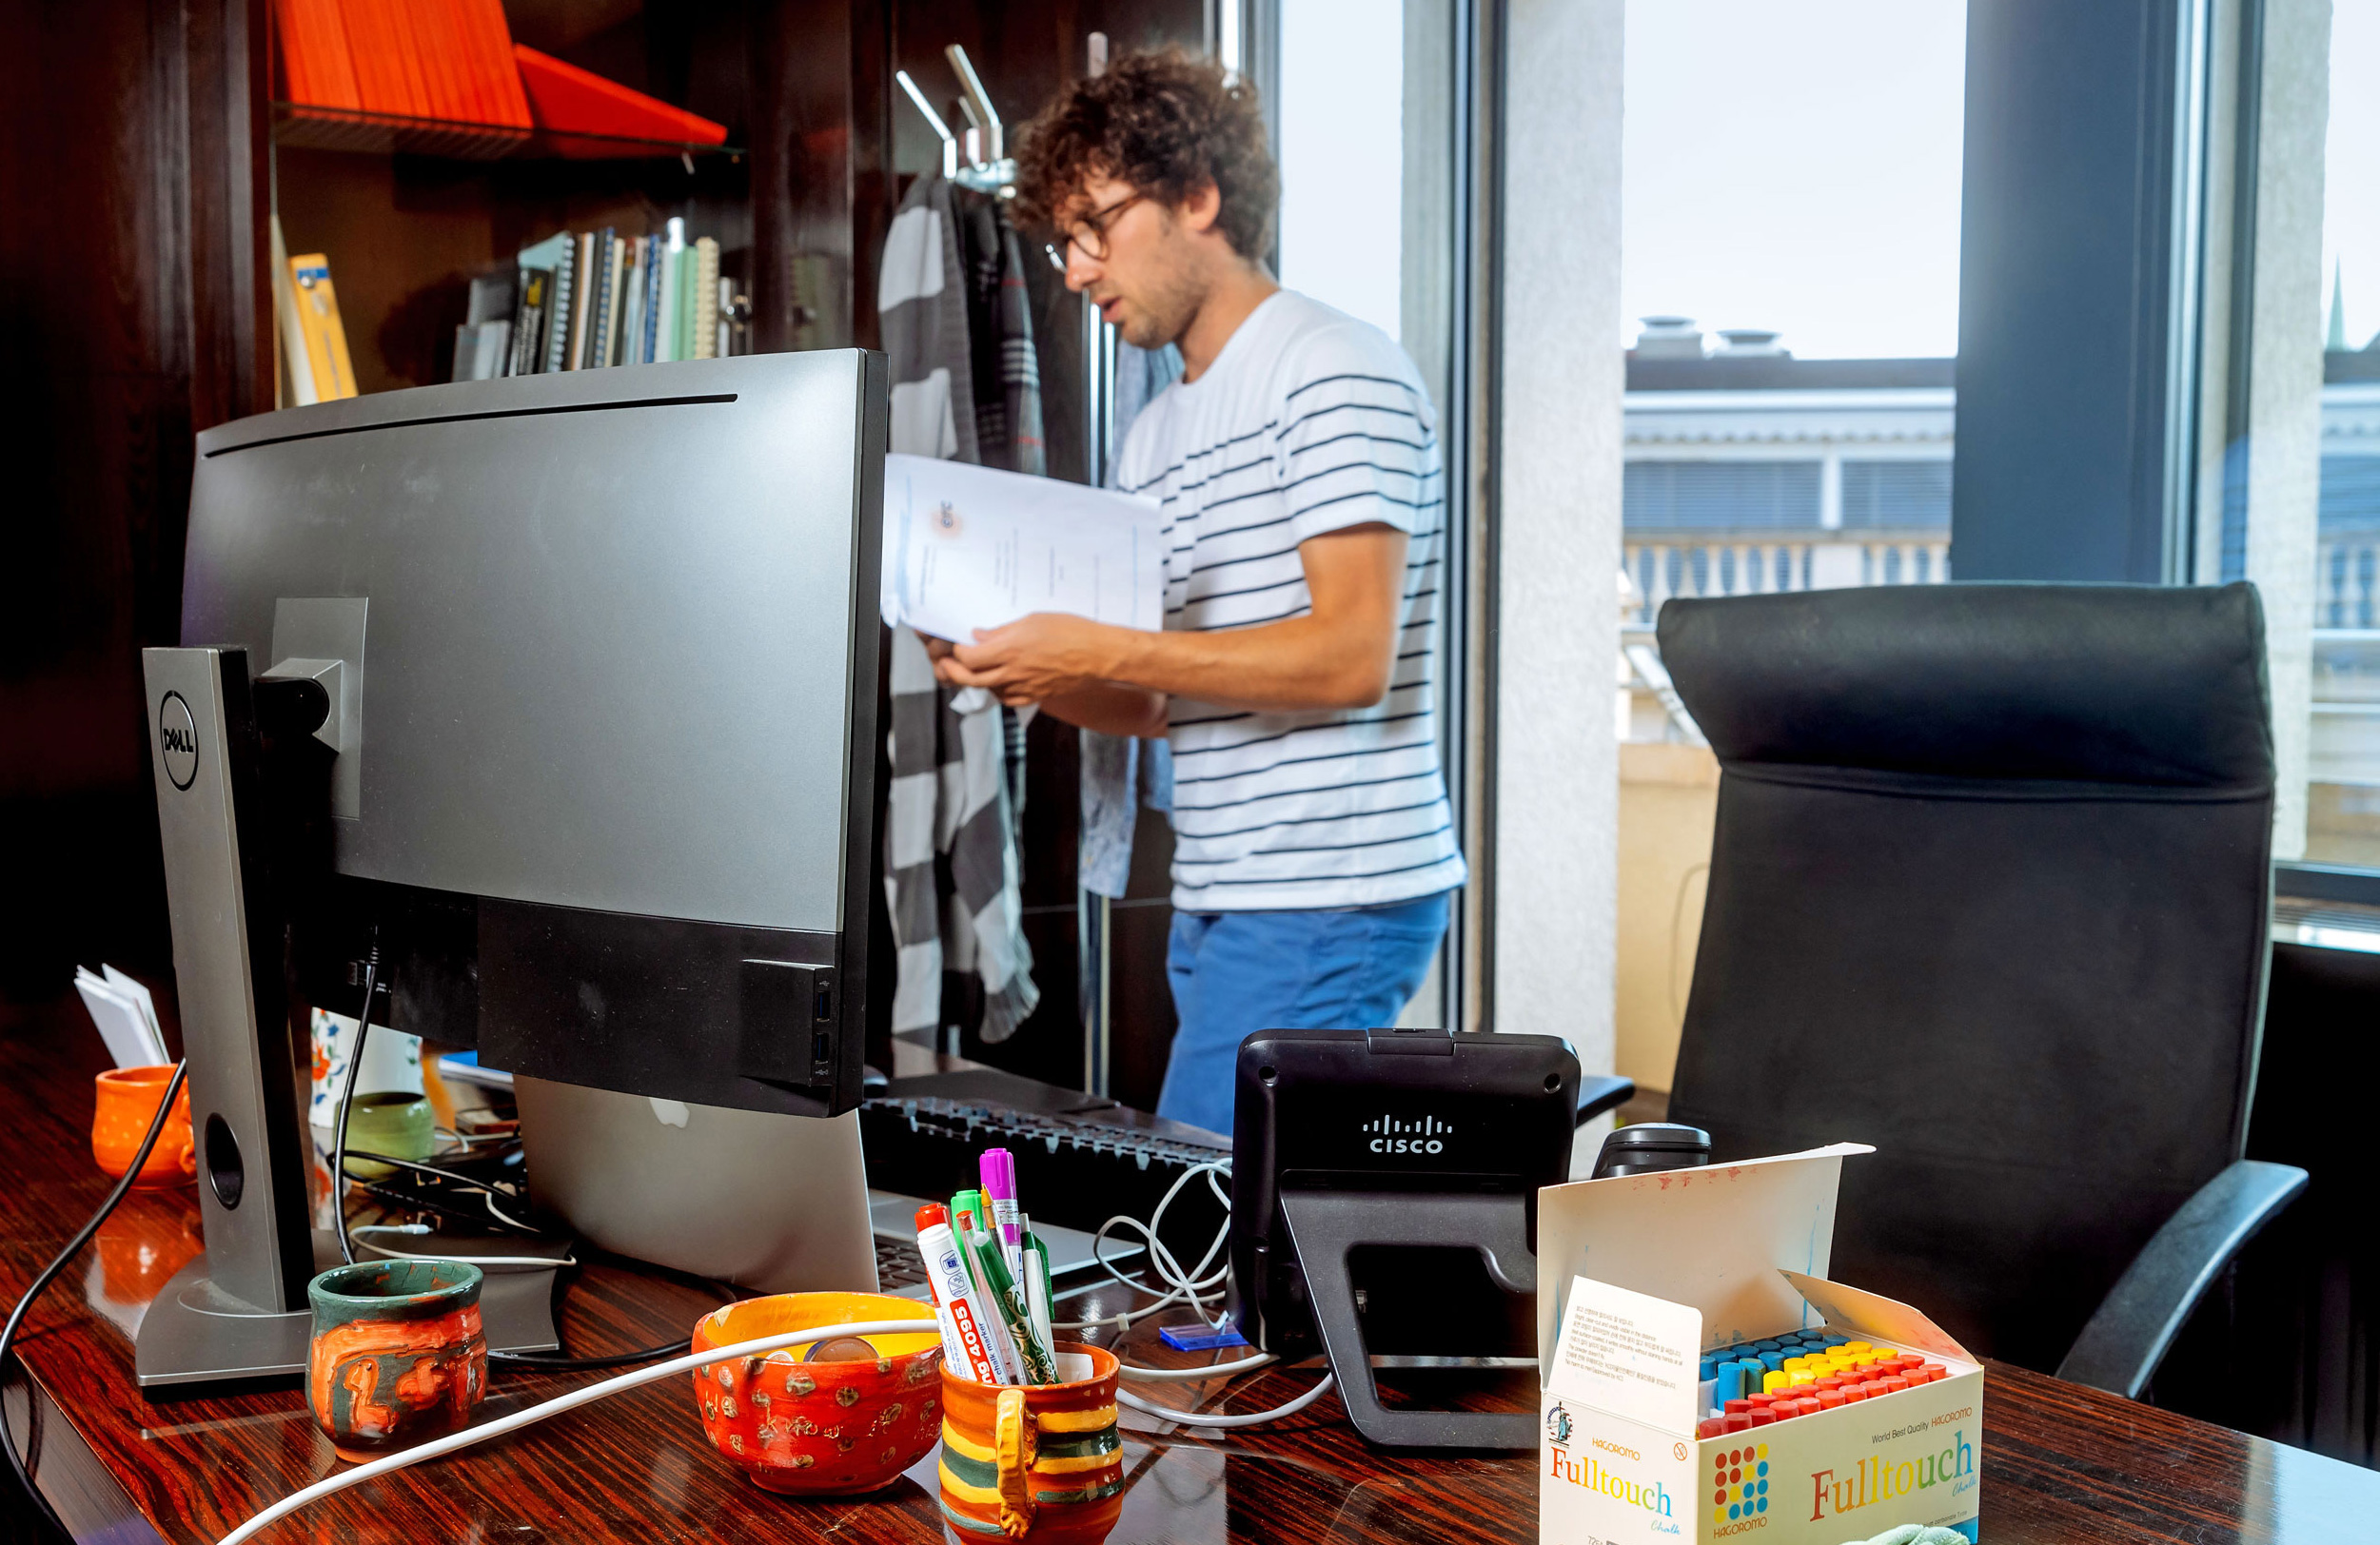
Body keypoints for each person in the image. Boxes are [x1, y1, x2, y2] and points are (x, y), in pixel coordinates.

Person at [934, 48, 1465, 1136]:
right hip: (1225, 892)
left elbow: (1347, 655)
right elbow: (1156, 704)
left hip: (1330, 885)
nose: (1074, 270)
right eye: (1062, 240)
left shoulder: (1329, 371)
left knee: (1197, 1211)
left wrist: (1097, 645)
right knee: (1229, 1216)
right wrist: (1030, 672)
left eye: (1096, 226)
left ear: (1197, 195)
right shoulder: (1156, 432)